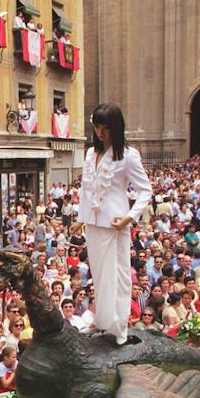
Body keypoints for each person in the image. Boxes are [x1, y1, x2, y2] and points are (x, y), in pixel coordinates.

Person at [79, 103, 152, 345]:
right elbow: (85, 189)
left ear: (116, 128)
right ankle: (101, 321)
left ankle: (119, 326)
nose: (101, 132)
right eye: (97, 127)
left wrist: (130, 217)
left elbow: (145, 191)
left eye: (106, 128)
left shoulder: (128, 156)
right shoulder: (90, 154)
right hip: (92, 223)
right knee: (99, 276)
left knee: (119, 275)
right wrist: (80, 219)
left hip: (116, 223)